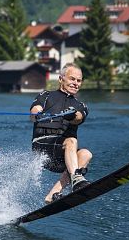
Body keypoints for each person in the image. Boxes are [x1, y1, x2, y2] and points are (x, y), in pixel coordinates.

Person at [30, 64, 93, 204]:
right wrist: (38, 114)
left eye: (79, 80)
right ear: (61, 79)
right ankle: (76, 180)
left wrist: (72, 115)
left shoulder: (81, 106)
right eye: (72, 79)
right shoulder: (45, 96)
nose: (76, 83)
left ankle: (52, 194)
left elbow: (79, 118)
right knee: (71, 141)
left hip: (61, 157)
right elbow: (35, 110)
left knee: (86, 154)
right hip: (43, 148)